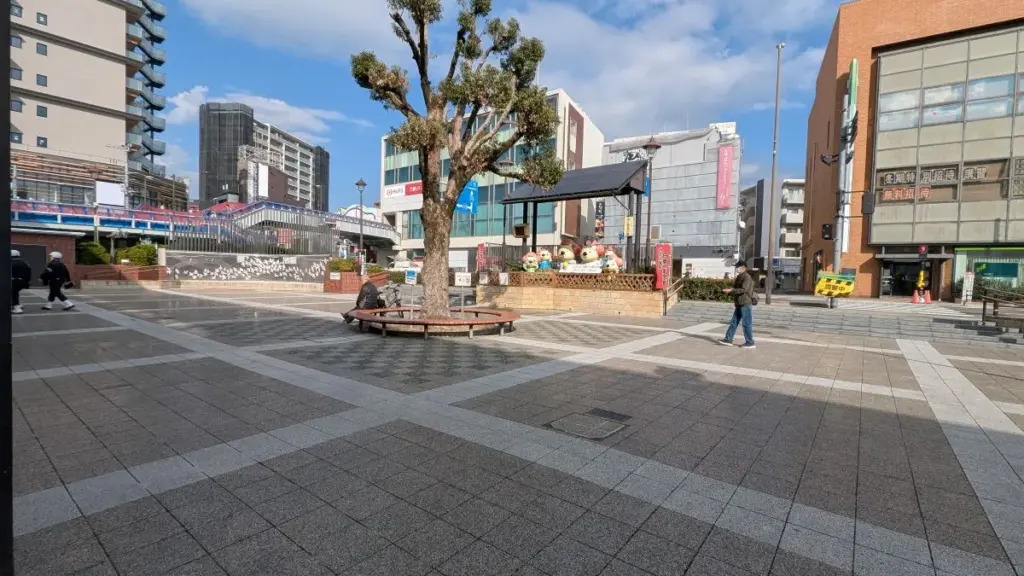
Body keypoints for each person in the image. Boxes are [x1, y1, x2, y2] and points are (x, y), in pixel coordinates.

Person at [720, 260, 755, 348]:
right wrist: (731, 289)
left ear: (743, 267)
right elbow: (738, 288)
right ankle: (728, 339)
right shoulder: (740, 276)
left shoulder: (747, 277)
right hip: (739, 303)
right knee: (734, 322)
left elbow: (744, 289)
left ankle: (750, 342)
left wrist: (731, 290)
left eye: (737, 267)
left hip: (745, 303)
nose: (736, 268)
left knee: (746, 323)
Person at [11, 250, 32, 315]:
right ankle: (15, 305)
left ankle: (17, 308)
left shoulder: (10, 263)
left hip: (14, 281)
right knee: (15, 293)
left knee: (13, 293)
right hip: (23, 281)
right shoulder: (25, 263)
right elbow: (29, 273)